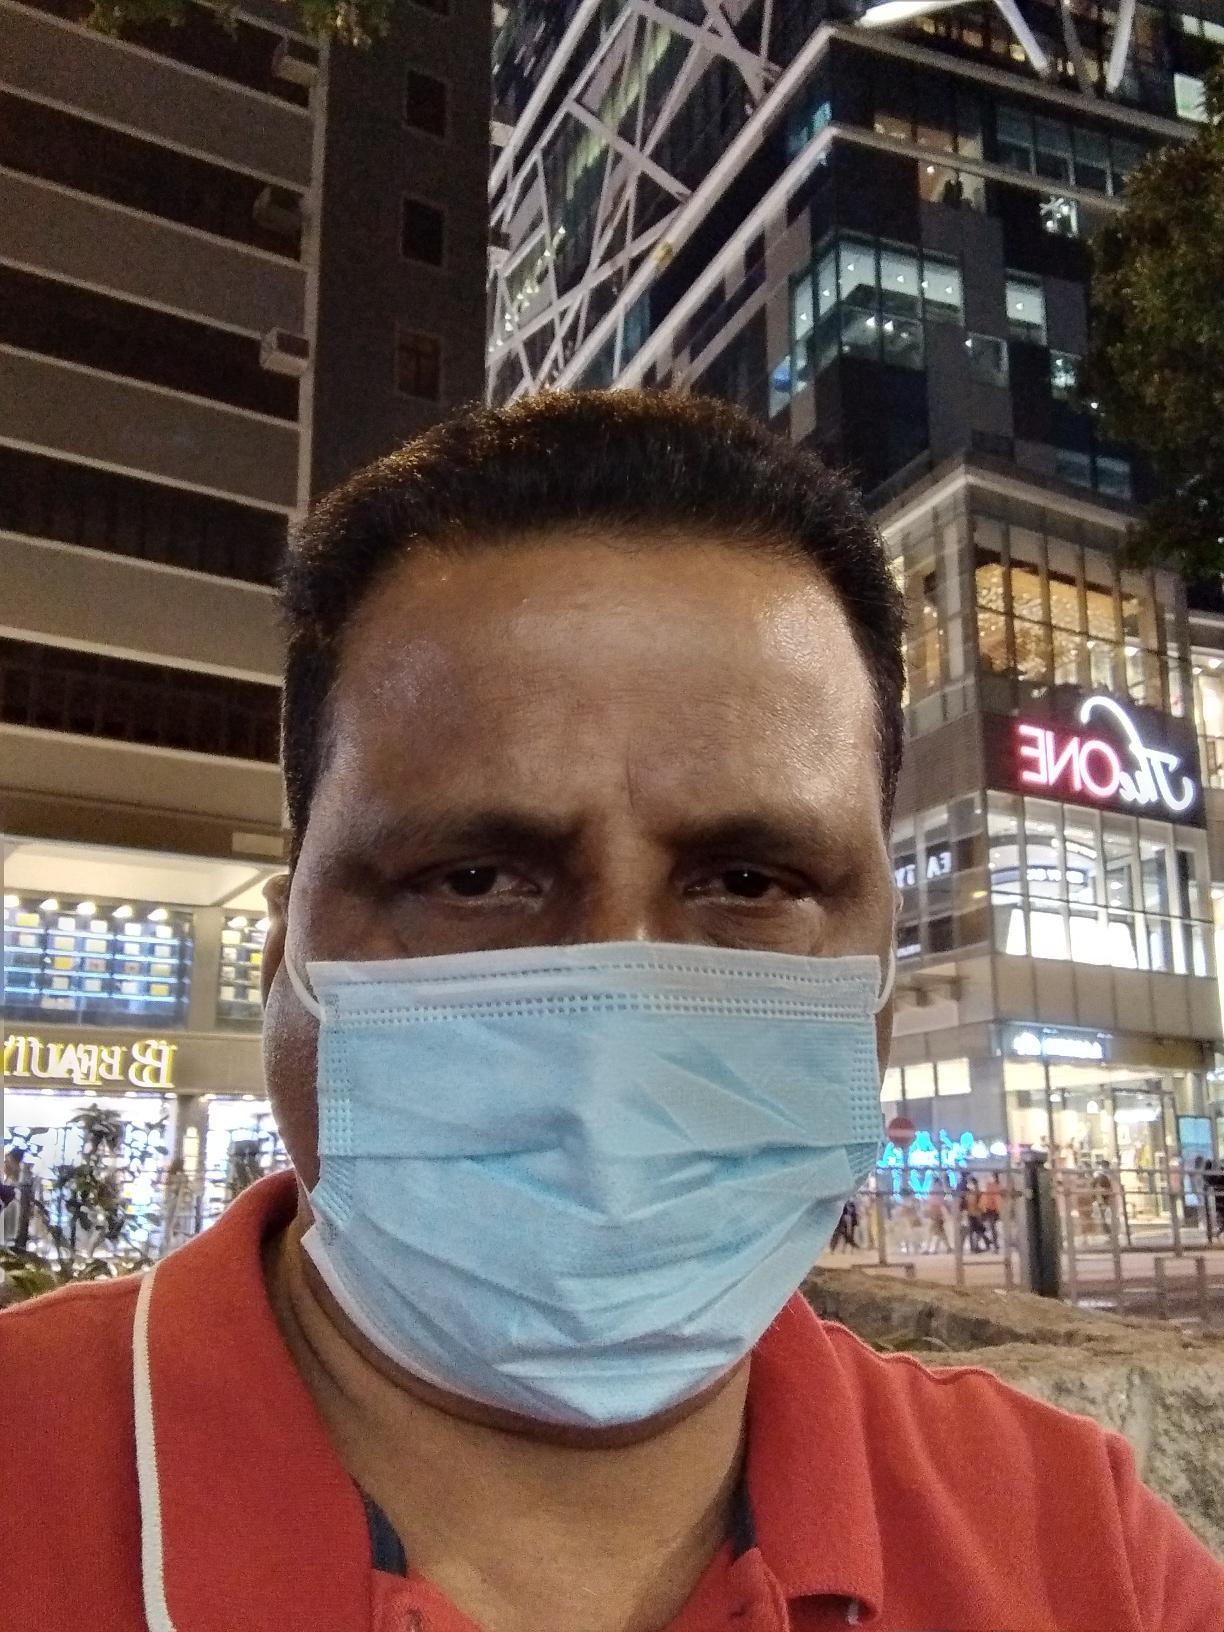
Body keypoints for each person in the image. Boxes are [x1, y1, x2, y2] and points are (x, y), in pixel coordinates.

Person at [2, 392, 1221, 1631]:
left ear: (882, 987)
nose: (609, 1066)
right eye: (474, 878)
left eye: (752, 883)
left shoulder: (1095, 1559)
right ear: (283, 961)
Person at [982, 1169, 1003, 1252]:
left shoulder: (992, 1186)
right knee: (992, 1228)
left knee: (992, 1228)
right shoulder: (996, 1186)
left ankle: (994, 1245)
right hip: (993, 1209)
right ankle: (994, 1244)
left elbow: (987, 1199)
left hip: (991, 1209)